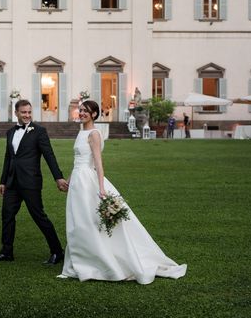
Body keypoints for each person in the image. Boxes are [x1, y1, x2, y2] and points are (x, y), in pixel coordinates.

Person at [59, 100, 187, 282]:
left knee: (88, 221)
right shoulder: (81, 132)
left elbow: (97, 163)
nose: (81, 113)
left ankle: (96, 261)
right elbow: (78, 162)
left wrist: (101, 188)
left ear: (94, 114)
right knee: (78, 221)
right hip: (78, 182)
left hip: (88, 183)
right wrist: (69, 181)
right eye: (80, 110)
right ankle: (83, 258)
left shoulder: (94, 134)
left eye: (85, 111)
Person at [0, 99, 68, 265]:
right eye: (23, 112)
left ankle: (57, 252)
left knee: (39, 216)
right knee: (7, 215)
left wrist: (58, 177)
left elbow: (49, 155)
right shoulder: (10, 132)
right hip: (12, 183)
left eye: (29, 112)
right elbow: (8, 158)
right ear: (16, 113)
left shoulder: (39, 132)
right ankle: (7, 252)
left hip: (30, 182)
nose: (27, 115)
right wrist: (3, 181)